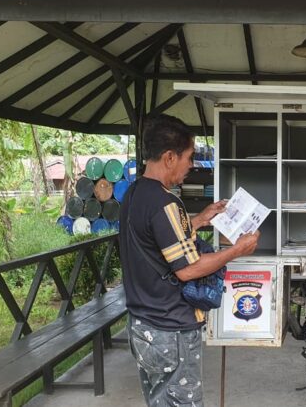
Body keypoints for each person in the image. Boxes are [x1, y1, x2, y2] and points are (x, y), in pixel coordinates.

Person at [119, 114, 259, 407]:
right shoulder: (165, 203)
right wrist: (237, 250)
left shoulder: (134, 194)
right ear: (170, 157)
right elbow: (187, 270)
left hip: (143, 326)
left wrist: (198, 220)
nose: (192, 165)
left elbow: (156, 241)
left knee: (159, 401)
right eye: (189, 157)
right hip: (171, 328)